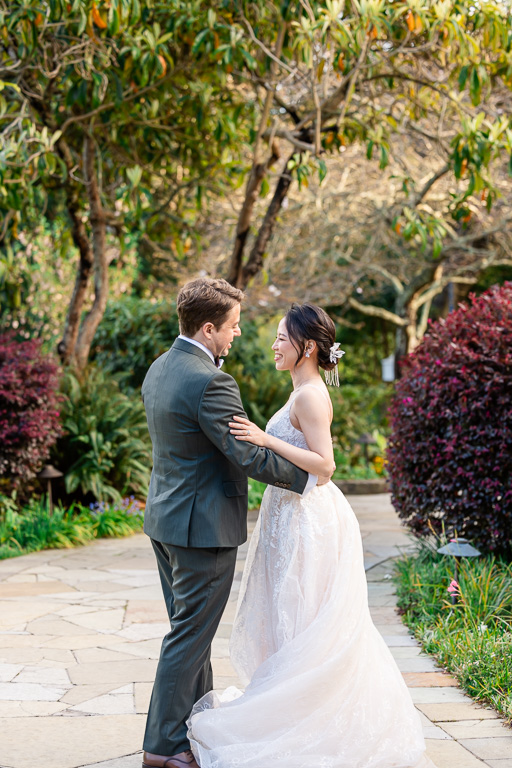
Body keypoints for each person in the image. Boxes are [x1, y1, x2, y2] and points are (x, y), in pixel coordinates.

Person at [187, 303, 435, 768]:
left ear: (309, 347)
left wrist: (266, 439)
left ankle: (304, 718)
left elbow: (325, 466)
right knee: (287, 612)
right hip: (289, 513)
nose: (274, 344)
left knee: (301, 613)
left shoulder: (310, 396)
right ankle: (287, 706)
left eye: (282, 337)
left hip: (309, 519)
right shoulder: (299, 389)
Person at [140, 279, 327, 768]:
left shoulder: (161, 368)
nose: (239, 334)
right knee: (187, 637)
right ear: (208, 327)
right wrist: (309, 477)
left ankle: (192, 728)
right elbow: (247, 454)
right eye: (233, 325)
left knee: (191, 634)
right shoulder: (210, 381)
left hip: (165, 521)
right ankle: (162, 749)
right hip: (202, 529)